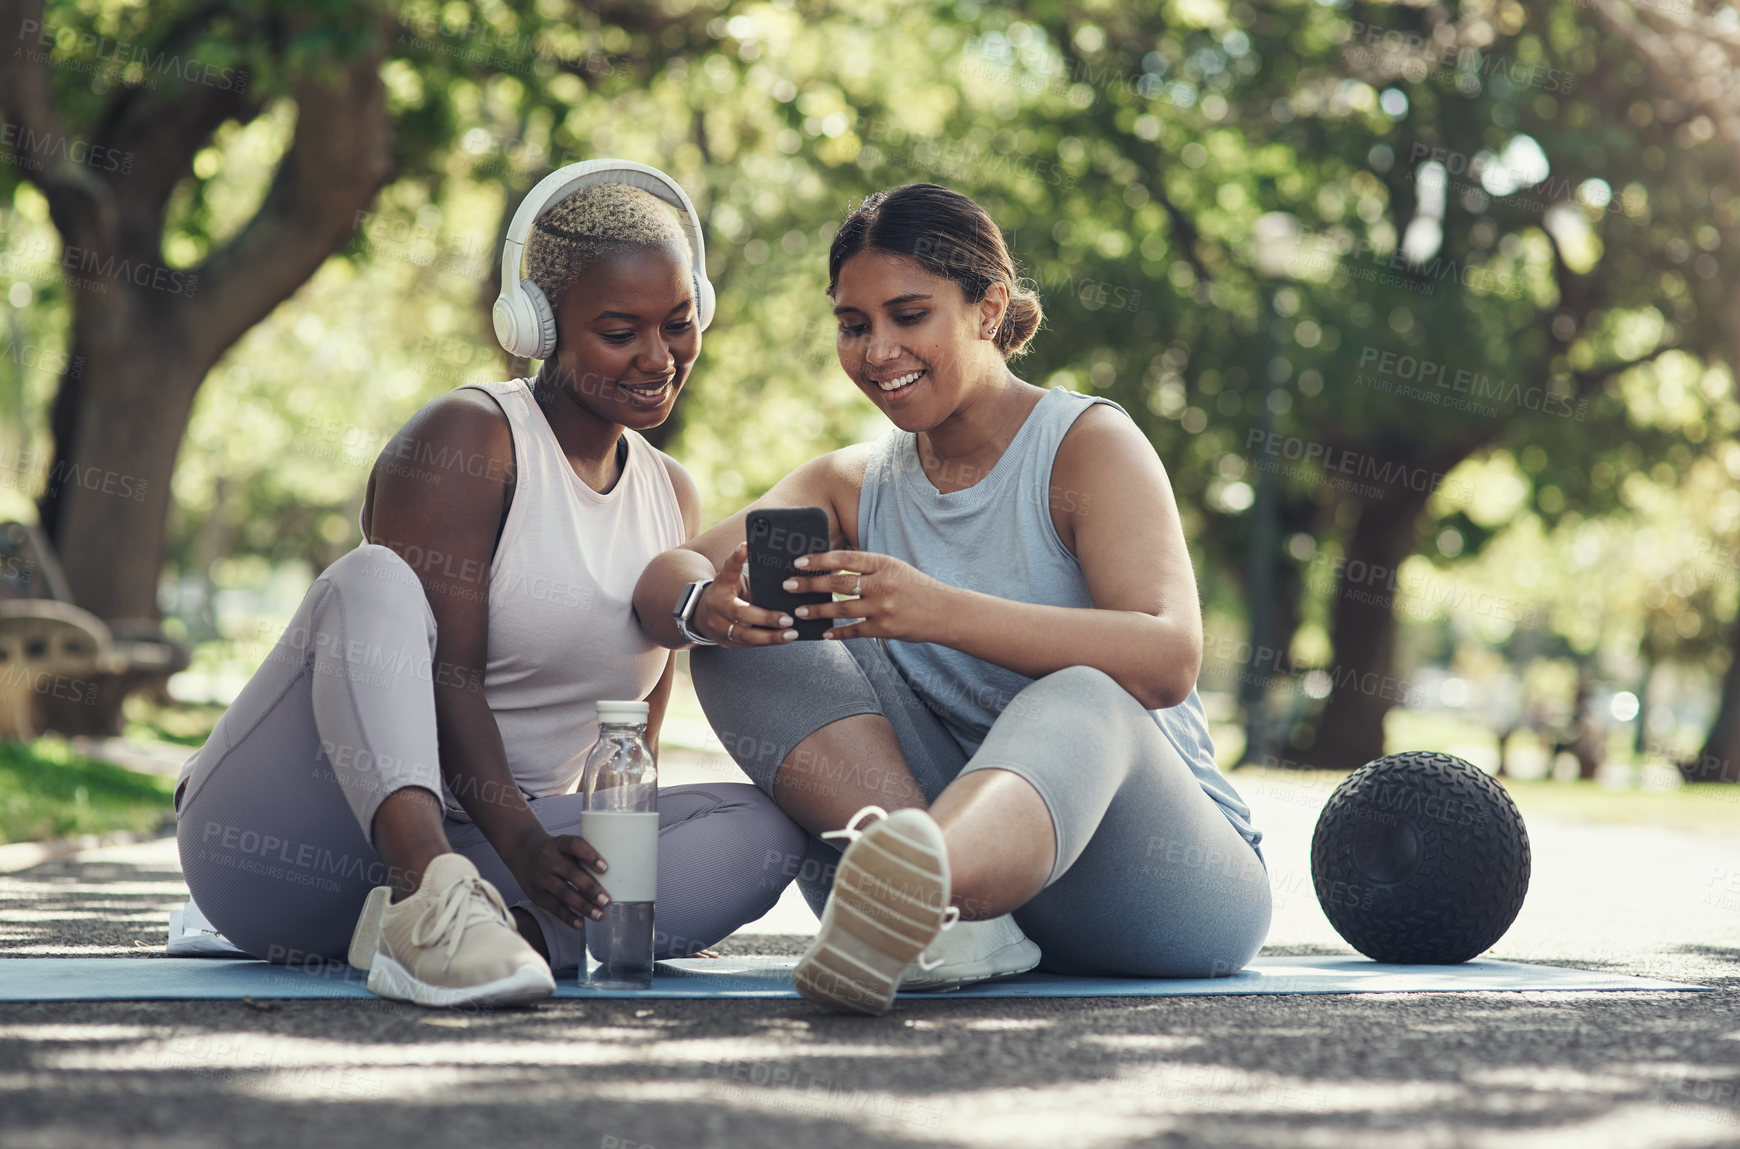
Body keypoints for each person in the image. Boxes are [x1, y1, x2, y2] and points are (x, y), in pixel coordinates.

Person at [173, 165, 808, 1008]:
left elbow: (635, 732)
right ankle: (427, 895)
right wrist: (521, 841)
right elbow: (448, 681)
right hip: (284, 838)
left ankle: (511, 938)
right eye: (620, 330)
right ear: (538, 325)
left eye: (679, 322)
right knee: (371, 580)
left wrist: (573, 853)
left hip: (498, 853)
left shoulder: (670, 492)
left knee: (761, 827)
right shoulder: (469, 438)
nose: (659, 357)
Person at [633, 183, 1271, 1015]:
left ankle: (924, 884)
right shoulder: (848, 482)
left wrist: (933, 609)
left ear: (988, 306)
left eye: (909, 315)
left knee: (1085, 690)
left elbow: (1169, 659)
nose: (877, 349)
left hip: (1160, 883)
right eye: (854, 324)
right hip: (988, 902)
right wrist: (704, 609)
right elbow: (662, 579)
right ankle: (935, 915)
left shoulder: (1087, 446)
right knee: (746, 638)